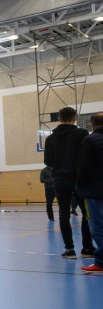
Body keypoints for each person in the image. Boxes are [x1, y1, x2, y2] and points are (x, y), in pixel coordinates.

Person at [44, 106, 94, 259]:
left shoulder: (50, 138)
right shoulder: (82, 133)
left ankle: (69, 249)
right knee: (86, 213)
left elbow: (48, 161)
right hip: (79, 179)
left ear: (59, 118)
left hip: (60, 180)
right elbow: (87, 155)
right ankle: (87, 248)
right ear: (75, 118)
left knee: (64, 215)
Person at [76, 112, 103, 273]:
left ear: (92, 126)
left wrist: (80, 188)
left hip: (95, 191)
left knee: (97, 227)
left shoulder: (90, 140)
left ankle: (101, 262)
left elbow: (83, 167)